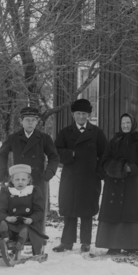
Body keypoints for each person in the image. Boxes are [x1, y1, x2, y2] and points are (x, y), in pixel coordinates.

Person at [0, 105, 59, 254]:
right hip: (18, 180)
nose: (30, 123)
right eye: (27, 120)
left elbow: (54, 157)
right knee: (15, 210)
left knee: (37, 211)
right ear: (21, 121)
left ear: (37, 122)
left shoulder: (44, 138)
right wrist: (3, 172)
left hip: (37, 180)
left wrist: (49, 172)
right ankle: (13, 240)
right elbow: (1, 153)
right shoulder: (14, 138)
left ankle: (37, 245)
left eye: (33, 120)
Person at [53, 98, 108, 253]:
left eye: (84, 114)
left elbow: (105, 155)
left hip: (90, 178)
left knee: (87, 211)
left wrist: (99, 173)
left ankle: (85, 242)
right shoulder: (65, 132)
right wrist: (71, 154)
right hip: (70, 178)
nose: (81, 117)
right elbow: (55, 152)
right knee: (69, 210)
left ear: (89, 115)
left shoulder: (96, 133)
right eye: (78, 113)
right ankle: (67, 242)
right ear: (73, 115)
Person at [96, 113, 138, 254]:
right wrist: (114, 168)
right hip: (114, 183)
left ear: (133, 124)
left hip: (133, 184)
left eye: (128, 123)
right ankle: (113, 244)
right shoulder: (114, 140)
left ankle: (132, 245)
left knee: (131, 213)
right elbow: (104, 159)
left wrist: (130, 168)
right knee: (114, 214)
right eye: (123, 123)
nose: (125, 126)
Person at [0, 164, 48, 265]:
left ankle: (21, 241)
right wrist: (7, 217)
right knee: (3, 224)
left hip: (28, 223)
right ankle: (6, 236)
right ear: (12, 181)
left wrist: (32, 219)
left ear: (28, 180)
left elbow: (39, 211)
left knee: (26, 229)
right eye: (17, 179)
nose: (20, 182)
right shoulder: (6, 192)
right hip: (11, 223)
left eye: (23, 179)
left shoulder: (34, 191)